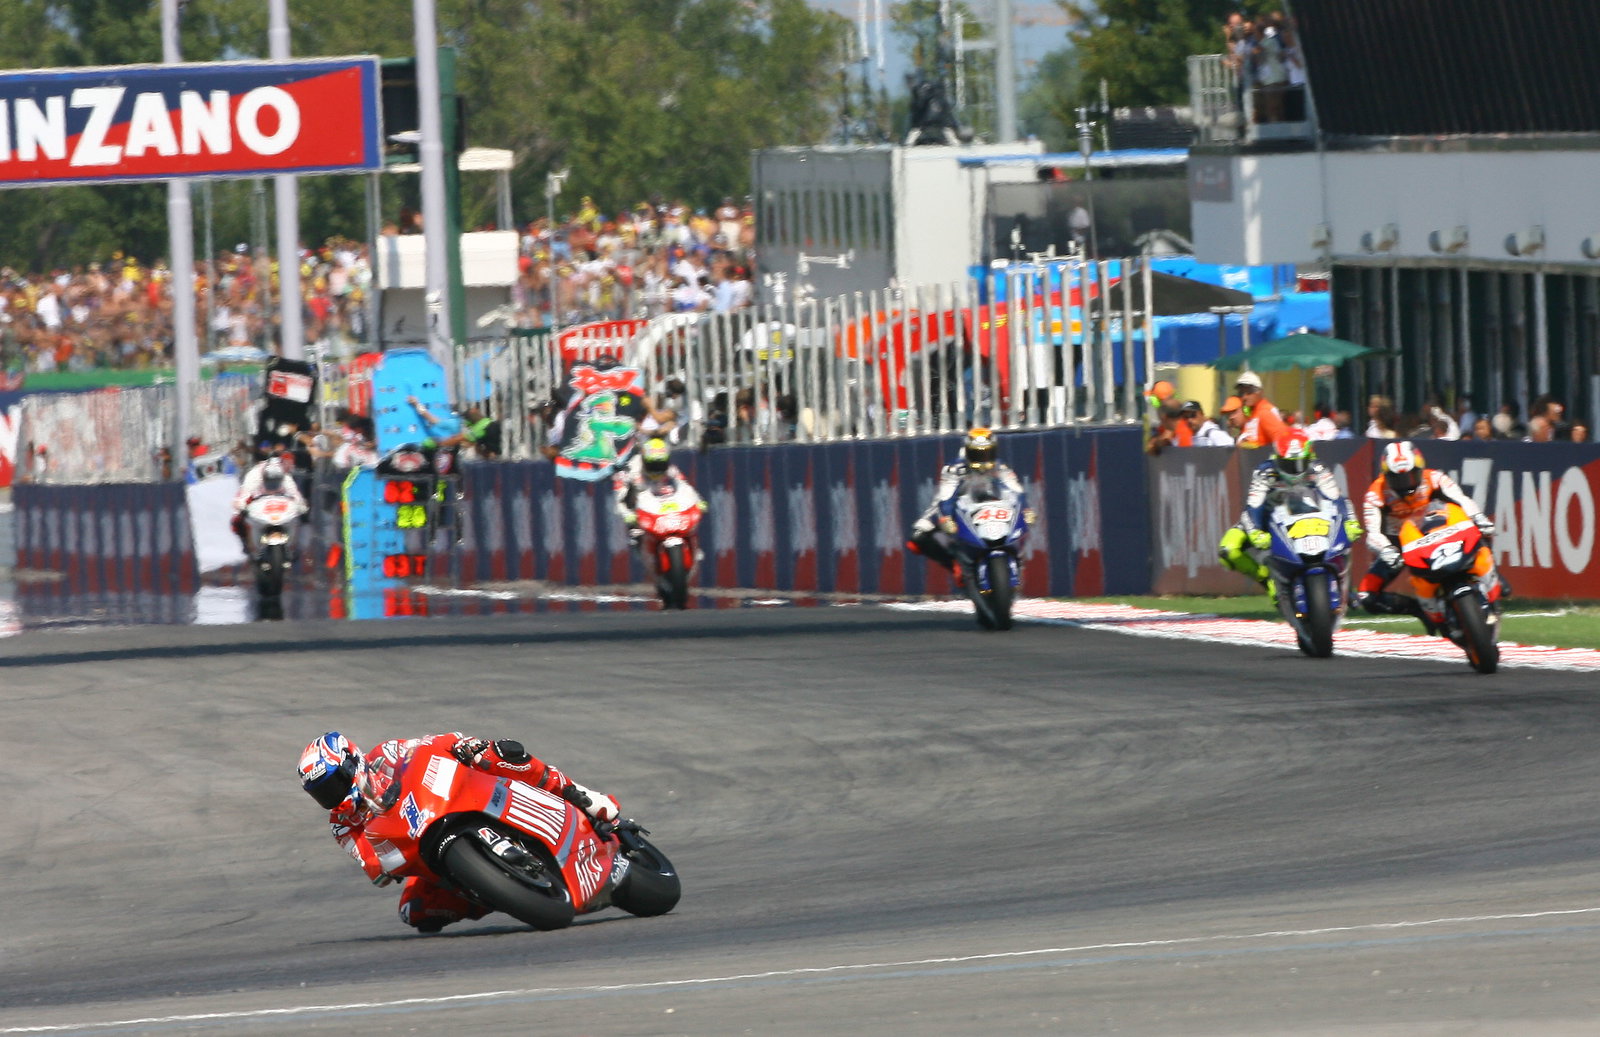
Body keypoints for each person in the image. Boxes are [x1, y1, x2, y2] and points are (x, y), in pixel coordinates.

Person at [297, 731, 618, 933]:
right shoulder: (342, 824)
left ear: (351, 762)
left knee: (500, 752)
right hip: (422, 852)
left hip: (448, 799)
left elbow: (427, 745)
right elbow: (373, 866)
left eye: (333, 784)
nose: (331, 796)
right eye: (321, 793)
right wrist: (380, 861)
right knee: (415, 913)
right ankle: (494, 892)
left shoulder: (385, 754)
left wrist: (463, 746)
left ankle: (580, 795)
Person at [1356, 441, 1499, 633]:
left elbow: (1462, 500)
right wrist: (1387, 550)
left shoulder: (1435, 478)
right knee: (1367, 596)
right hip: (1400, 544)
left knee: (1480, 531)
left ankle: (1494, 579)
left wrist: (1478, 517)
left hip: (1440, 530)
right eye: (1397, 479)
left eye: (1411, 476)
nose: (1406, 484)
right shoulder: (1375, 494)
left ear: (1420, 469)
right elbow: (1373, 533)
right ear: (1386, 476)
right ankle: (1419, 609)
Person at [1218, 429, 1360, 597]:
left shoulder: (1318, 468)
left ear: (1309, 457)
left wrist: (1350, 520)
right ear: (1277, 457)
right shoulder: (1264, 472)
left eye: (1300, 463)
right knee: (1228, 549)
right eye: (1287, 464)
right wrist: (1255, 531)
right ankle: (1268, 580)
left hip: (1311, 518)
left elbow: (1337, 497)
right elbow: (1253, 506)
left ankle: (1344, 585)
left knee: (1342, 540)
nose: (1294, 470)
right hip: (1268, 519)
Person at [905, 427, 1033, 575]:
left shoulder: (1001, 467)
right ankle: (953, 565)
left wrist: (1026, 508)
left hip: (991, 505)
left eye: (987, 453)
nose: (983, 458)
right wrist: (947, 517)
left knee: (1021, 520)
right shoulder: (954, 468)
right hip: (955, 506)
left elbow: (1016, 489)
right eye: (977, 454)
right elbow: (946, 496)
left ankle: (1016, 557)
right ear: (968, 451)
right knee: (917, 536)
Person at [612, 436, 705, 546]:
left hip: (663, 505)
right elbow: (619, 497)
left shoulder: (670, 468)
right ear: (644, 459)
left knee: (690, 528)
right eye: (653, 465)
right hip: (641, 509)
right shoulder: (632, 469)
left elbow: (685, 485)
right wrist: (627, 514)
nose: (657, 468)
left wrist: (698, 500)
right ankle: (637, 536)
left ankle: (694, 547)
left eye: (661, 464)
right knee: (637, 534)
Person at [230, 452, 306, 551]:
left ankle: (293, 547)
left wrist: (301, 505)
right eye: (270, 480)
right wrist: (241, 506)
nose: (273, 483)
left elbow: (294, 491)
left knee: (298, 518)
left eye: (276, 480)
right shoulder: (255, 474)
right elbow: (245, 492)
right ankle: (247, 544)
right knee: (237, 521)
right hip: (257, 500)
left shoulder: (285, 475)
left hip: (279, 501)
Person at [1232, 371, 1289, 449]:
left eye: (1249, 392)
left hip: (1265, 456)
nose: (1244, 397)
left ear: (1259, 392)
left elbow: (1282, 440)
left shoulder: (1265, 412)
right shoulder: (1251, 411)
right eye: (1241, 393)